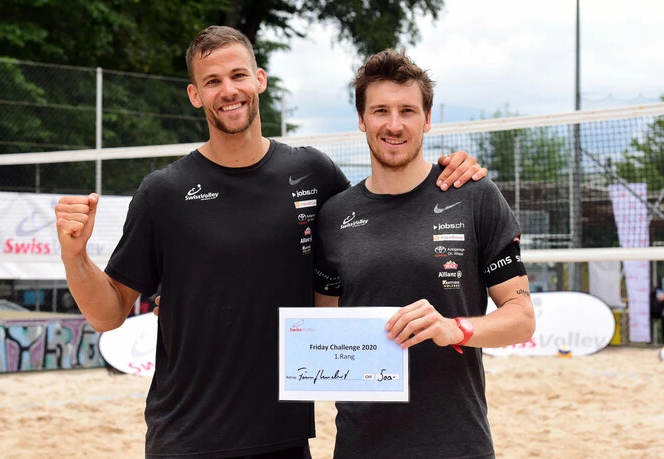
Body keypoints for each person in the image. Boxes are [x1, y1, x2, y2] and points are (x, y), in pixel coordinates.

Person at [56, 26, 485, 459]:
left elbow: (379, 220)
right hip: (187, 438)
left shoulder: (314, 173)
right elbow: (108, 314)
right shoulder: (162, 193)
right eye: (212, 81)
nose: (229, 90)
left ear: (259, 79)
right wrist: (75, 256)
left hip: (285, 438)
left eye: (238, 75)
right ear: (194, 95)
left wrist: (447, 172)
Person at [314, 49, 536, 458]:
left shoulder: (474, 196)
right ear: (362, 119)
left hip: (456, 443)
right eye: (380, 111)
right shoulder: (334, 215)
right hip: (361, 445)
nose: (394, 125)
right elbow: (323, 324)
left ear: (427, 118)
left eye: (408, 111)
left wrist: (454, 329)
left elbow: (521, 319)